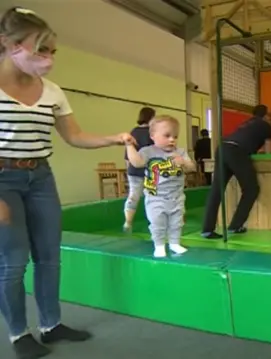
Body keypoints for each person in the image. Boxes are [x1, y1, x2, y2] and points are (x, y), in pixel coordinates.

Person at [0, 7, 135, 359]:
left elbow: (74, 136)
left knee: (49, 256)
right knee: (13, 261)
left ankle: (51, 324)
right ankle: (18, 333)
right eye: (40, 49)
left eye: (52, 51)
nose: (48, 58)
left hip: (40, 176)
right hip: (2, 179)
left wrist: (112, 138)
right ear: (10, 44)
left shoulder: (53, 92)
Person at [126, 115, 196, 258]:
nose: (172, 140)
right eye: (167, 135)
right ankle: (159, 245)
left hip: (176, 196)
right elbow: (137, 162)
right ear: (153, 136)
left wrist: (183, 162)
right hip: (155, 197)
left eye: (175, 136)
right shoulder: (148, 152)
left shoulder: (180, 152)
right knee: (158, 222)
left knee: (177, 222)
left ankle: (174, 243)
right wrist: (129, 146)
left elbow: (192, 167)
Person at [201, 104, 271, 239]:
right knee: (251, 189)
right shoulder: (266, 126)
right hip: (237, 151)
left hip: (222, 148)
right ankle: (235, 225)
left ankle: (207, 229)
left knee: (217, 189)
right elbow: (269, 150)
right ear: (266, 116)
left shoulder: (246, 123)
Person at [123, 106, 155, 232]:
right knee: (151, 197)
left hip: (133, 170)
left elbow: (127, 156)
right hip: (148, 170)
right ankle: (153, 222)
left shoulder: (133, 132)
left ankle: (127, 222)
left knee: (133, 196)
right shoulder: (151, 134)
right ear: (151, 118)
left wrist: (128, 170)